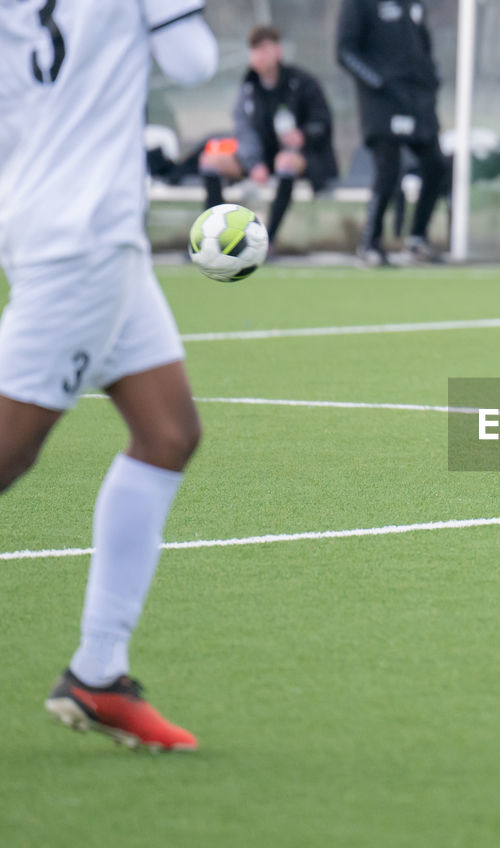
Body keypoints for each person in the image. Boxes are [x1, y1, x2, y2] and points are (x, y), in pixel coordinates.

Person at [0, 0, 218, 750]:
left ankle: (98, 674)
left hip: (61, 221)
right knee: (7, 454)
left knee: (168, 433)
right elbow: (193, 62)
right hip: (83, 237)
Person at [199, 26, 338, 245]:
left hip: (302, 158)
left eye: (265, 49)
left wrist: (302, 135)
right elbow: (243, 129)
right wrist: (254, 163)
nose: (260, 56)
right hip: (259, 158)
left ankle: (267, 241)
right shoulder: (249, 87)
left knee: (285, 162)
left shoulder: (302, 82)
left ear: (278, 51)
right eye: (255, 50)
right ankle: (214, 237)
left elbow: (322, 122)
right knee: (210, 161)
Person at [337, 0, 449, 267]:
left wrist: (431, 78)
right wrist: (378, 82)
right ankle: (370, 243)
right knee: (388, 169)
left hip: (418, 100)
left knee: (436, 165)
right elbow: (345, 51)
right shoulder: (359, 5)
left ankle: (418, 238)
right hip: (383, 102)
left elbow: (423, 46)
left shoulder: (414, 4)